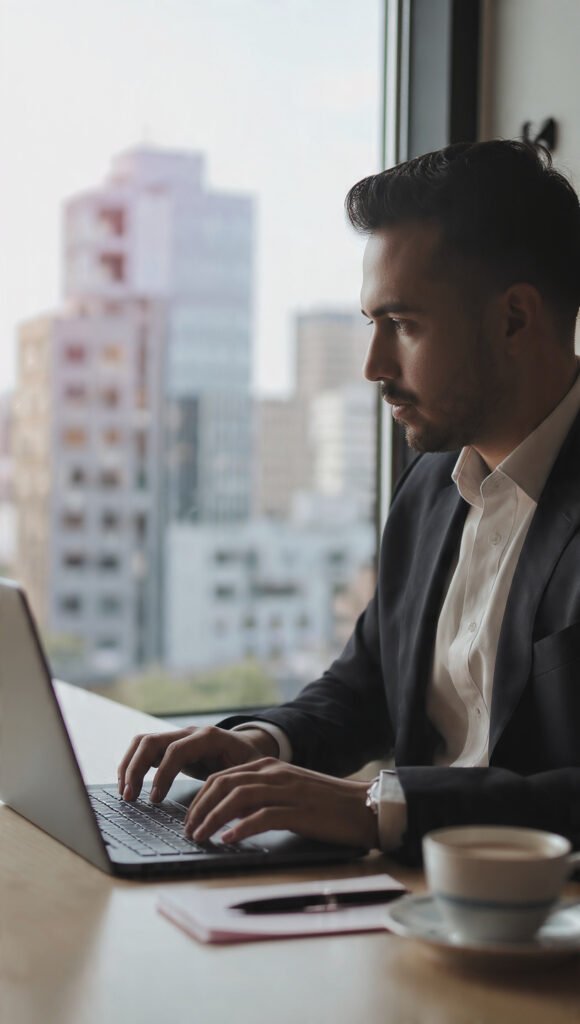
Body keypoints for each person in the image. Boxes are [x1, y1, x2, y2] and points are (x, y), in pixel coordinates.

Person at [118, 140, 580, 862]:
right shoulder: (431, 483)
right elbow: (368, 684)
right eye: (372, 324)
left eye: (404, 325)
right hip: (410, 896)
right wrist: (262, 742)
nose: (373, 366)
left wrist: (379, 808)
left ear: (514, 319)